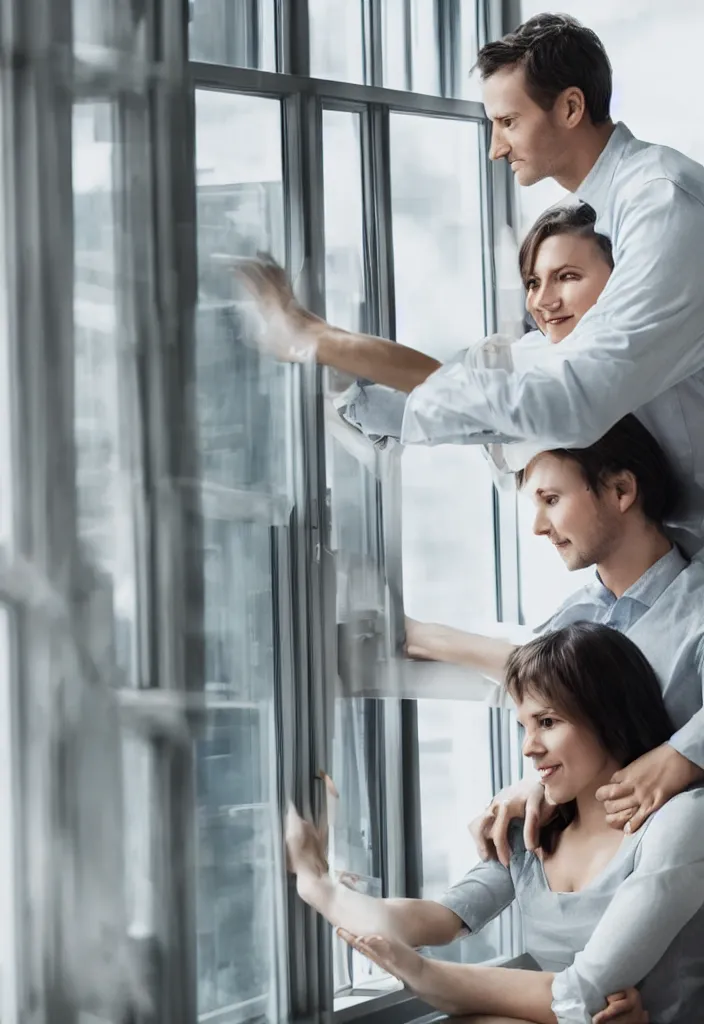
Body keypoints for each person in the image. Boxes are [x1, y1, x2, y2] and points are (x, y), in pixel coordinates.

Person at [236, 13, 704, 553]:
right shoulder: (616, 207)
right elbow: (518, 376)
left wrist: (322, 341)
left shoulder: (662, 205)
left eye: (508, 122)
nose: (495, 148)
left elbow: (574, 401)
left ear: (571, 107)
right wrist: (340, 364)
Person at [287, 623, 704, 1023]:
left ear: (608, 716)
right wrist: (318, 882)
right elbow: (435, 919)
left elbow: (581, 996)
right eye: (523, 726)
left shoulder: (681, 822)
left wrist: (422, 972)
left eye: (547, 722)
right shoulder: (534, 831)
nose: (529, 748)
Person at [406, 412, 704, 856]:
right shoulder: (571, 619)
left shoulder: (695, 607)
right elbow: (549, 699)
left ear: (621, 490)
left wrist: (681, 756)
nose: (538, 526)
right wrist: (539, 785)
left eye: (551, 499)